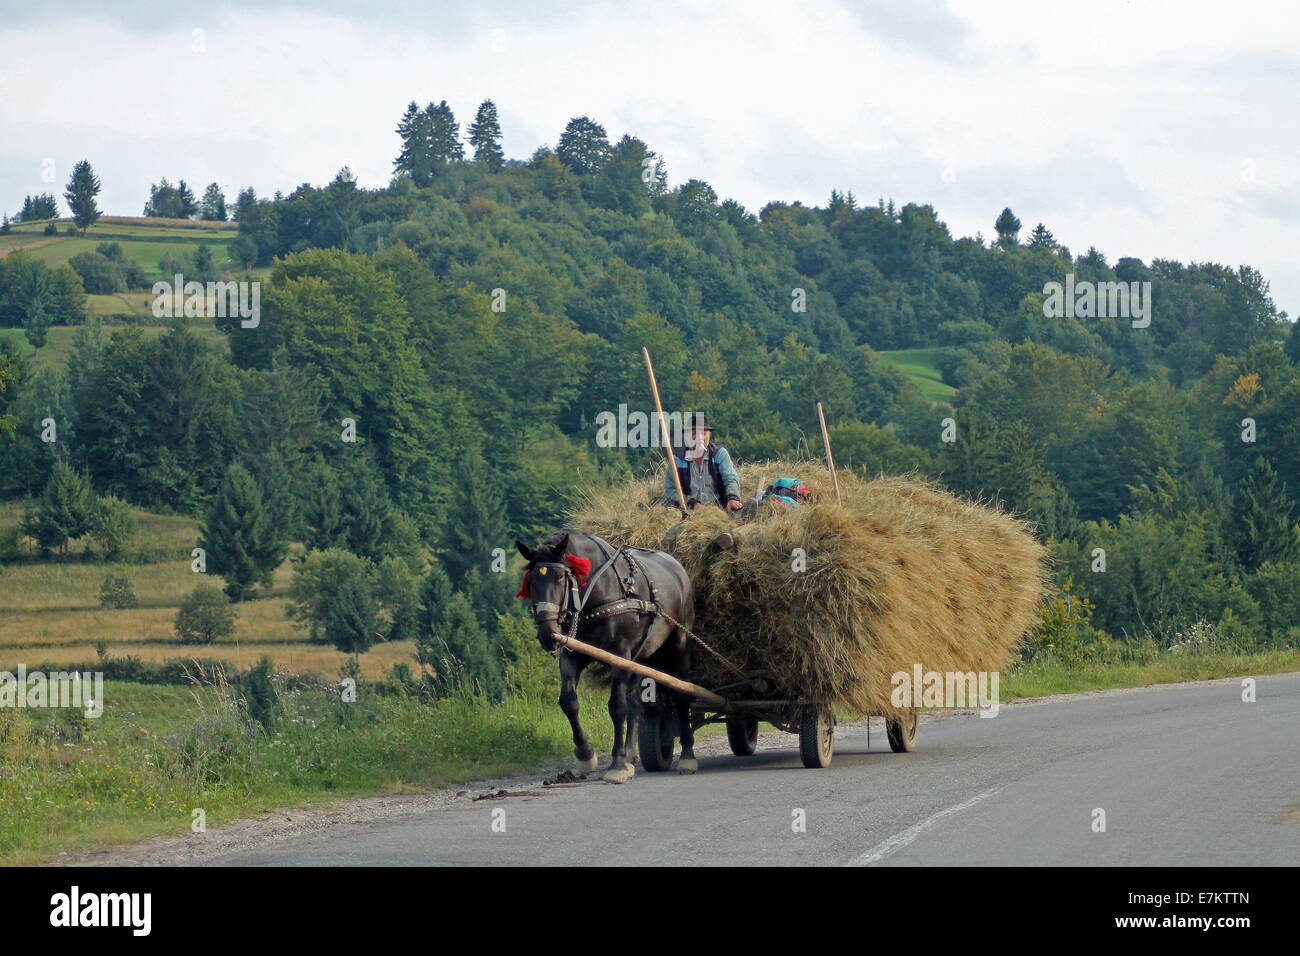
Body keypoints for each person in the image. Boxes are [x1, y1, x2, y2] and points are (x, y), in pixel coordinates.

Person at [664, 413, 743, 513]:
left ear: (709, 435)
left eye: (703, 433)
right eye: (694, 434)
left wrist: (733, 497)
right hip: (690, 511)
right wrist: (691, 503)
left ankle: (740, 514)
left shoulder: (719, 454)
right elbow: (670, 490)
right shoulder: (677, 460)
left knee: (737, 513)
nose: (699, 438)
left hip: (719, 510)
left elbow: (731, 478)